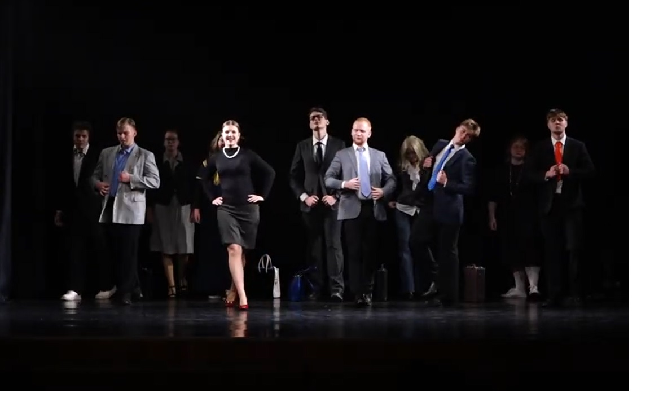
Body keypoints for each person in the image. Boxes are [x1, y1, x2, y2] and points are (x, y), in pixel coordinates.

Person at [200, 120, 275, 310]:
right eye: (227, 132)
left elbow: (270, 172)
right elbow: (204, 178)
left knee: (242, 252)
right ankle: (243, 296)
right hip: (226, 209)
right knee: (233, 248)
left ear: (239, 135)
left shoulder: (247, 155)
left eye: (233, 132)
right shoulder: (217, 157)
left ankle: (234, 288)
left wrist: (262, 196)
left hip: (248, 209)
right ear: (222, 135)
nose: (230, 135)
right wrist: (212, 198)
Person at [525, 109, 595, 307]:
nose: (557, 123)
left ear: (566, 123)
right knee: (552, 251)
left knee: (574, 249)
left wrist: (570, 171)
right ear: (548, 124)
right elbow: (528, 174)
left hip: (571, 205)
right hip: (550, 205)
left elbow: (590, 171)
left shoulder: (577, 146)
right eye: (553, 120)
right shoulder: (540, 148)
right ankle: (554, 295)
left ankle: (576, 294)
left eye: (560, 119)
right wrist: (545, 174)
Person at [324, 117, 396, 306]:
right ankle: (357, 293)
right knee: (354, 252)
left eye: (362, 131)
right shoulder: (342, 154)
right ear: (351, 131)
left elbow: (391, 179)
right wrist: (344, 184)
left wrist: (383, 191)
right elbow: (328, 178)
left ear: (369, 133)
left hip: (373, 208)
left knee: (370, 252)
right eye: (355, 130)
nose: (358, 133)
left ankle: (368, 291)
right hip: (351, 209)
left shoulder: (379, 155)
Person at [410, 119, 480, 306]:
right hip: (430, 202)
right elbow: (430, 169)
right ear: (457, 129)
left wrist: (447, 183)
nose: (463, 136)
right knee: (416, 240)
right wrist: (426, 166)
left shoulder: (467, 158)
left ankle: (449, 296)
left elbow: (468, 187)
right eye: (462, 131)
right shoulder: (440, 144)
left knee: (447, 252)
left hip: (449, 208)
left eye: (468, 136)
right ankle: (436, 277)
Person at [91, 117, 160, 305]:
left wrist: (132, 178)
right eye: (119, 133)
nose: (122, 136)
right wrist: (98, 184)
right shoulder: (107, 153)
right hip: (110, 207)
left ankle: (126, 291)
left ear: (134, 133)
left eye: (125, 133)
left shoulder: (145, 155)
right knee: (115, 251)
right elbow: (95, 175)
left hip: (131, 209)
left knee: (128, 252)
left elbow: (155, 181)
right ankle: (133, 287)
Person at [289, 107, 346, 301]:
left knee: (334, 246)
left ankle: (337, 289)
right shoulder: (303, 146)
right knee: (314, 247)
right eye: (313, 118)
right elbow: (293, 176)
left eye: (320, 117)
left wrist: (336, 196)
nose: (316, 120)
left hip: (332, 204)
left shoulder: (339, 144)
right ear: (309, 123)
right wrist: (304, 196)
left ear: (327, 122)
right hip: (310, 205)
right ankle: (316, 287)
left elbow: (346, 173)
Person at [55, 121, 112, 301]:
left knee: (99, 248)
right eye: (77, 136)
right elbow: (63, 184)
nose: (80, 139)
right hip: (73, 209)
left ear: (88, 138)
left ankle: (106, 286)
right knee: (75, 250)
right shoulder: (66, 155)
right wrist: (60, 210)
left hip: (94, 208)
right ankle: (75, 289)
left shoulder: (97, 155)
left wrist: (100, 189)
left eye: (84, 136)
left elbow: (103, 176)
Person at [488, 135, 542, 300]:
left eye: (522, 147)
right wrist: (492, 217)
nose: (518, 150)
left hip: (529, 215)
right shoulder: (502, 171)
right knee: (512, 250)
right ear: (509, 149)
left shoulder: (531, 170)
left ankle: (533, 287)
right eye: (515, 147)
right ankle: (519, 288)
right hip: (507, 215)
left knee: (530, 249)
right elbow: (493, 196)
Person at [148, 129, 196, 298]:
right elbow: (151, 186)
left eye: (173, 139)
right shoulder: (157, 161)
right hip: (163, 205)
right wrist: (149, 208)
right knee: (165, 245)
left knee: (184, 246)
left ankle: (181, 278)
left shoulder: (187, 161)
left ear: (178, 142)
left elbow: (194, 185)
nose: (170, 143)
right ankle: (171, 285)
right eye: (167, 139)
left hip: (184, 205)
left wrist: (196, 207)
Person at [387, 135, 429, 300]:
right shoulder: (402, 167)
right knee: (404, 248)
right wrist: (392, 200)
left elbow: (427, 189)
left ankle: (422, 287)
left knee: (419, 247)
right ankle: (409, 289)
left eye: (413, 153)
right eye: (408, 153)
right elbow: (395, 185)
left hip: (420, 210)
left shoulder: (427, 165)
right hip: (402, 209)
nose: (411, 157)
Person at [193, 132, 230, 300]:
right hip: (209, 208)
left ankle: (228, 286)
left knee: (226, 247)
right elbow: (199, 186)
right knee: (210, 246)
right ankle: (212, 286)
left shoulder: (234, 161)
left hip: (228, 207)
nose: (223, 142)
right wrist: (196, 207)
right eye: (220, 139)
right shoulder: (207, 162)